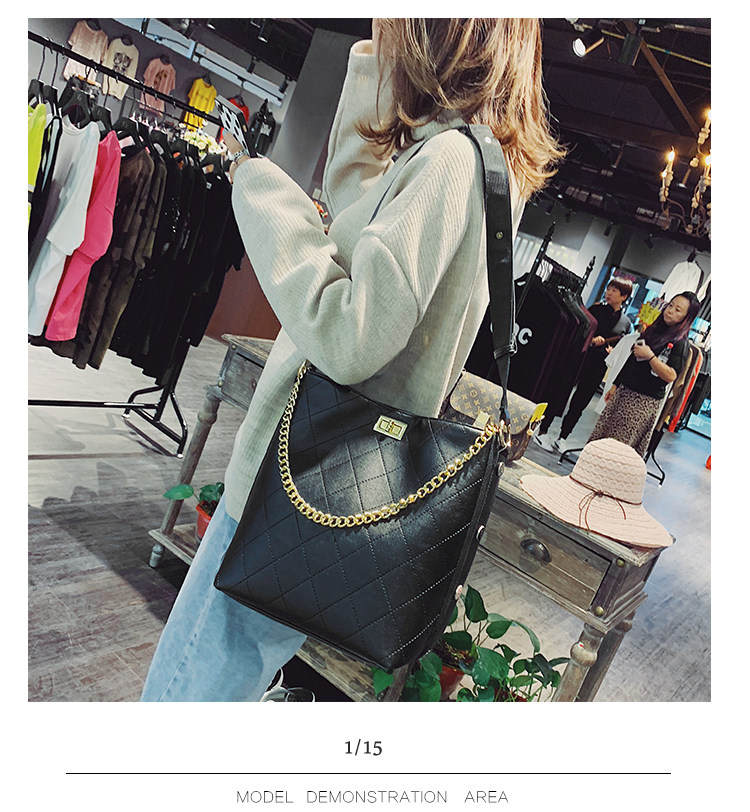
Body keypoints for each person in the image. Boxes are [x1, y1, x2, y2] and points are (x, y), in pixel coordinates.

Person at [140, 18, 564, 702]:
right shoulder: (482, 164)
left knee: (191, 688)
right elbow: (352, 217)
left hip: (295, 472)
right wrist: (376, 70)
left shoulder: (447, 163)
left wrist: (262, 191)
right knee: (226, 673)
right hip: (332, 485)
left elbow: (348, 334)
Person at [585, 291, 700, 458]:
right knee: (601, 438)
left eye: (678, 310)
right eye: (670, 305)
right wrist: (616, 384)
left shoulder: (680, 344)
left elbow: (671, 376)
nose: (670, 311)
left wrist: (650, 357)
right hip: (624, 392)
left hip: (643, 402)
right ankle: (589, 470)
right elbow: (631, 359)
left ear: (686, 318)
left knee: (619, 449)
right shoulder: (654, 331)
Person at [535, 276, 633, 453]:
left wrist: (612, 350)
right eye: (608, 288)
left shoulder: (625, 322)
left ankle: (563, 437)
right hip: (580, 358)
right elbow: (581, 330)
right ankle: (543, 429)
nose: (609, 293)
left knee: (580, 402)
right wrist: (591, 339)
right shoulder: (595, 309)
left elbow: (622, 345)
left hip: (599, 365)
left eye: (614, 291)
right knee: (560, 392)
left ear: (624, 297)